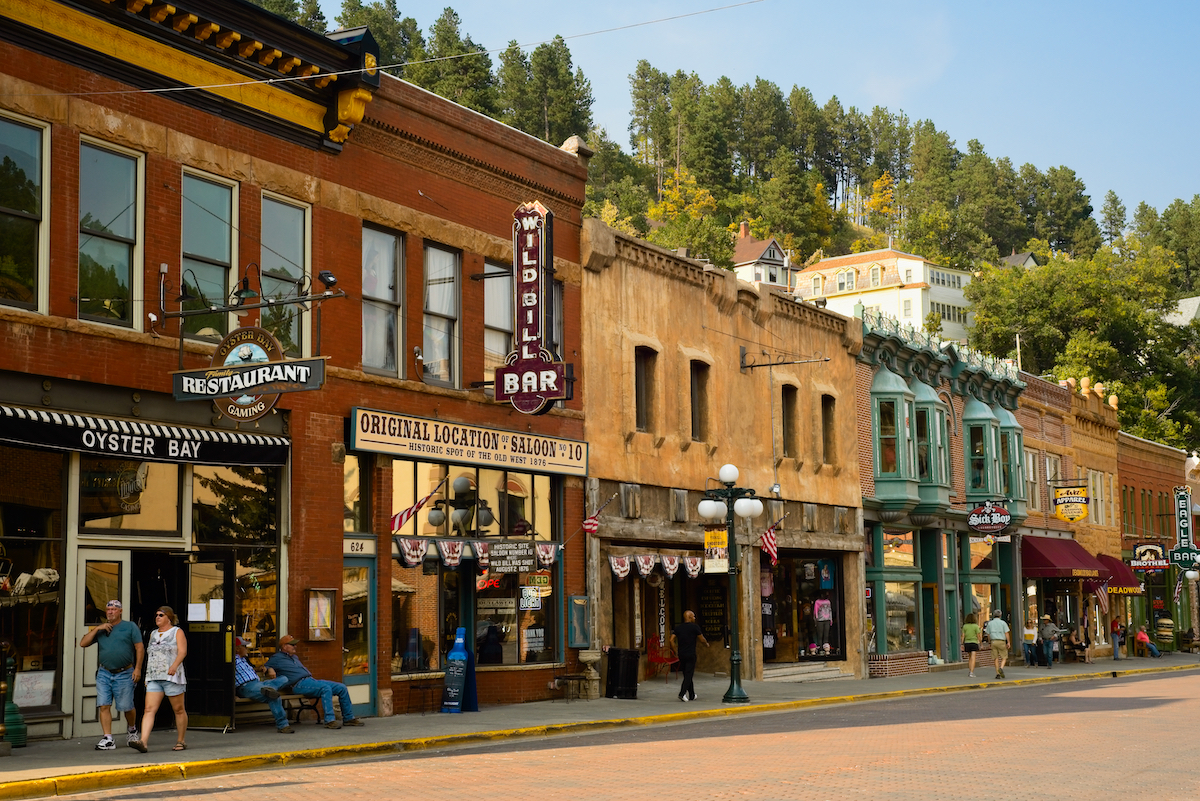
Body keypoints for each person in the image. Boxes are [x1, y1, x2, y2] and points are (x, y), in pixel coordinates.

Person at [78, 599, 143, 751]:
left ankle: (132, 730)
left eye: (114, 609)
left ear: (120, 611)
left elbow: (139, 648)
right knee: (103, 705)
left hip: (125, 672)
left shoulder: (130, 627)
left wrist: (138, 669)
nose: (110, 612)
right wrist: (97, 628)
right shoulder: (101, 629)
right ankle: (108, 738)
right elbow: (83, 643)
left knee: (127, 706)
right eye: (108, 609)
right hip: (104, 672)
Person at [266, 634, 364, 728]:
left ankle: (348, 718)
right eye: (292, 644)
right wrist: (269, 669)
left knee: (341, 687)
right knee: (325, 688)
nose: (295, 646)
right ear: (284, 646)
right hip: (298, 684)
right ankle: (329, 720)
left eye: (295, 644)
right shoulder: (276, 658)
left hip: (310, 680)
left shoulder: (294, 657)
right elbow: (264, 667)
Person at [130, 606, 187, 753]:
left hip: (172, 676)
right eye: (156, 615)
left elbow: (182, 651)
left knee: (178, 709)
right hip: (154, 676)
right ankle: (143, 741)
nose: (157, 617)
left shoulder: (177, 632)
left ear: (169, 617)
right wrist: (147, 676)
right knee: (149, 709)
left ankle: (181, 740)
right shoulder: (153, 634)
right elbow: (151, 655)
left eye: (161, 615)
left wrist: (174, 666)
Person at [234, 637, 293, 733]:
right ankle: (283, 726)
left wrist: (261, 668)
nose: (247, 649)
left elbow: (250, 670)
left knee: (284, 679)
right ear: (237, 649)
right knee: (274, 697)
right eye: (245, 646)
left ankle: (269, 689)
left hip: (259, 683)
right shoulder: (232, 661)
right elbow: (227, 678)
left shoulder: (244, 660)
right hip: (246, 686)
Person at [669, 610, 708, 703]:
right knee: (688, 675)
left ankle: (692, 694)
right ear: (690, 617)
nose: (695, 618)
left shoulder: (678, 628)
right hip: (691, 654)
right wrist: (706, 643)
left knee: (687, 674)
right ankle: (682, 693)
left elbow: (671, 640)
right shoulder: (695, 627)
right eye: (693, 616)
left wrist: (675, 651)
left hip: (681, 654)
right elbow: (701, 639)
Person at [983, 609, 1010, 679]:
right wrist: (1008, 642)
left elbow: (988, 634)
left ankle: (997, 673)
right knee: (1004, 656)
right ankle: (1001, 667)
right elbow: (1006, 633)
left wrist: (989, 642)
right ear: (1000, 615)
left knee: (995, 658)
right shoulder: (1003, 623)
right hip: (1001, 641)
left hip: (993, 641)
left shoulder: (990, 623)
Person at [961, 613, 982, 678]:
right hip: (974, 642)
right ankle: (972, 672)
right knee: (973, 658)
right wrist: (980, 643)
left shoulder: (965, 626)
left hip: (967, 643)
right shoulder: (976, 626)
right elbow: (978, 636)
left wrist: (962, 643)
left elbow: (963, 636)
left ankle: (970, 670)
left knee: (970, 658)